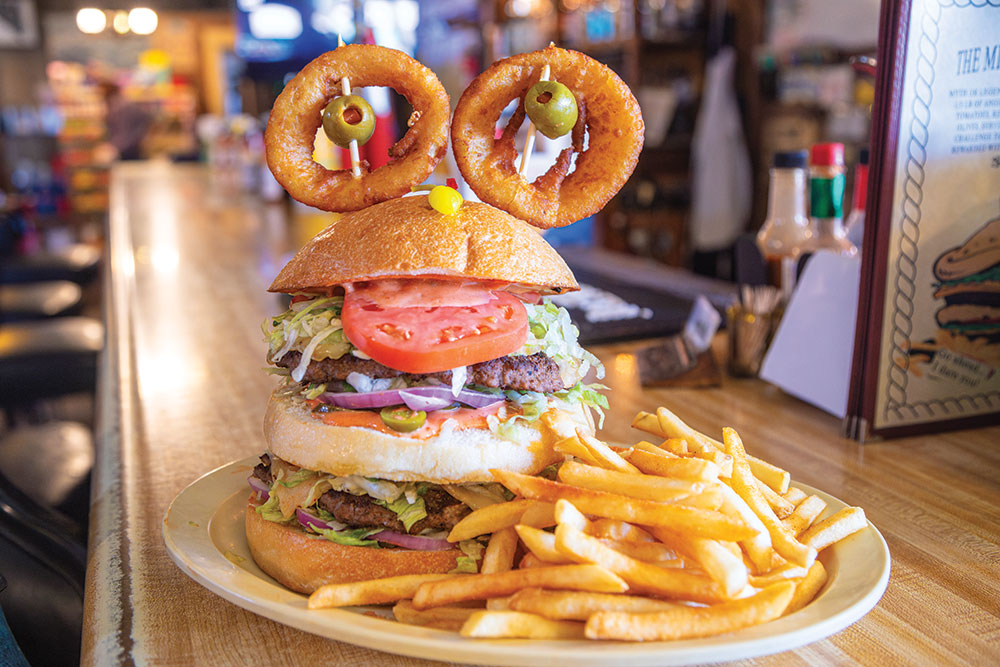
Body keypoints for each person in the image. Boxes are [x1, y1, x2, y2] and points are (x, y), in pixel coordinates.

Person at [100, 82, 152, 161]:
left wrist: (113, 147)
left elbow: (124, 132)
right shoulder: (120, 103)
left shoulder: (120, 107)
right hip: (133, 145)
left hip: (128, 149)